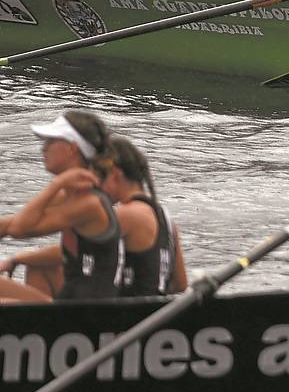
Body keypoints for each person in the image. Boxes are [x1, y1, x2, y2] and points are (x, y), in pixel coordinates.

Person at [0, 111, 123, 302]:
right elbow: (11, 224)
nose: (43, 149)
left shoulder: (88, 203)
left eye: (50, 142)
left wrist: (56, 184)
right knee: (38, 269)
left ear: (72, 148)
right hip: (72, 299)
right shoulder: (70, 194)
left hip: (91, 313)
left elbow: (18, 229)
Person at [95, 136, 187, 296]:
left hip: (128, 316)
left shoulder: (126, 214)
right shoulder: (167, 220)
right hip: (156, 313)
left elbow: (75, 256)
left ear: (115, 175)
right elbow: (180, 284)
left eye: (98, 177)